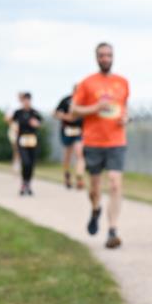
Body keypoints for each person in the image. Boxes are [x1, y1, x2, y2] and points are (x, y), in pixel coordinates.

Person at [72, 42, 130, 249]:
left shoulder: (122, 82)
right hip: (94, 141)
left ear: (113, 57)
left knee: (115, 182)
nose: (106, 58)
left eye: (109, 55)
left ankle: (112, 229)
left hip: (116, 140)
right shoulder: (87, 83)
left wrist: (126, 118)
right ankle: (95, 209)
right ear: (96, 58)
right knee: (94, 187)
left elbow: (125, 109)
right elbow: (74, 110)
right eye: (102, 55)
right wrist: (95, 107)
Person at [8, 92, 43, 196]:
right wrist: (15, 127)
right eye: (24, 100)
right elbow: (11, 122)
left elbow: (40, 123)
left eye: (28, 100)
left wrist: (37, 124)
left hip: (32, 139)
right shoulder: (18, 112)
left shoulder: (35, 112)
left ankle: (28, 183)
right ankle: (23, 183)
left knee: (31, 163)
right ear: (22, 101)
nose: (26, 102)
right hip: (22, 139)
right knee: (25, 162)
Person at [54, 86, 85, 189]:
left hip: (79, 131)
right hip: (67, 130)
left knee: (79, 154)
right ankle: (67, 175)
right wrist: (65, 117)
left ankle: (79, 178)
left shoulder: (85, 101)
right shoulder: (66, 100)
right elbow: (55, 113)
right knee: (67, 155)